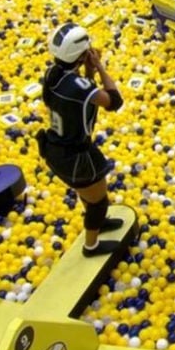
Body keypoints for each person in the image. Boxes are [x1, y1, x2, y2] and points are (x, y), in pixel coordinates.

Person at [36, 23, 125, 257]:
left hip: (55, 147)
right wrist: (99, 67)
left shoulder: (53, 74)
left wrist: (88, 71)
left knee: (87, 191)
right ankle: (91, 245)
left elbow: (81, 94)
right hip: (74, 155)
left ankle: (98, 222)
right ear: (82, 54)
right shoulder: (79, 87)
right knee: (98, 202)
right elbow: (114, 101)